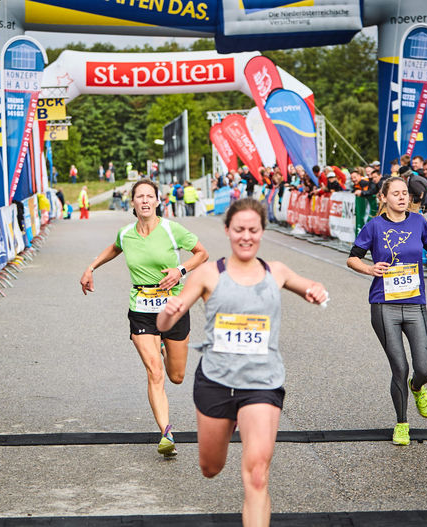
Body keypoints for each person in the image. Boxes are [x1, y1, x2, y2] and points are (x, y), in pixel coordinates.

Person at [157, 198, 328, 526]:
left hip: (262, 385)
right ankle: (228, 424)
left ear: (262, 231)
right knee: (210, 468)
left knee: (258, 476)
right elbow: (166, 324)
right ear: (227, 231)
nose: (246, 236)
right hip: (216, 382)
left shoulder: (275, 271)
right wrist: (167, 315)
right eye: (239, 230)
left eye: (253, 230)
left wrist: (316, 290)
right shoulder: (208, 274)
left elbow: (310, 286)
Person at [80, 179, 208, 457]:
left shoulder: (173, 230)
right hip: (141, 309)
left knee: (176, 376)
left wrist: (180, 271)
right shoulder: (126, 233)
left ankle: (163, 346)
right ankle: (166, 433)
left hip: (173, 307)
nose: (145, 201)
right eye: (140, 197)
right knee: (155, 371)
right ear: (133, 203)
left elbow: (202, 253)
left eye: (150, 196)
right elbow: (115, 248)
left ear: (158, 201)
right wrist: (91, 267)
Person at [346, 176, 427, 446]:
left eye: (405, 193)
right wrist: (369, 268)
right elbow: (352, 257)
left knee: (423, 369)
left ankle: (418, 387)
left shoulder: (418, 222)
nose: (403, 197)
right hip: (384, 305)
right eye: (396, 193)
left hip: (415, 304)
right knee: (399, 367)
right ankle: (401, 424)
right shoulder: (374, 226)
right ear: (384, 198)